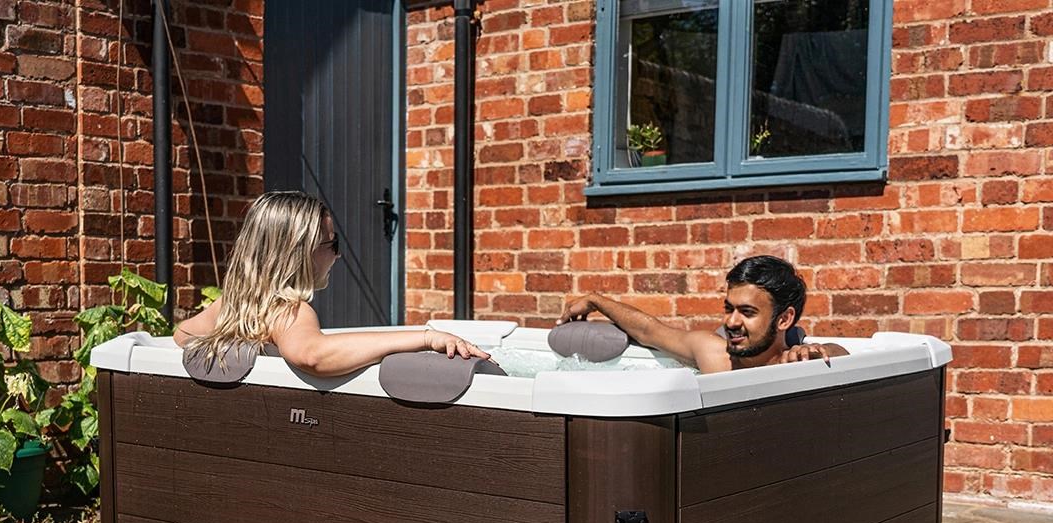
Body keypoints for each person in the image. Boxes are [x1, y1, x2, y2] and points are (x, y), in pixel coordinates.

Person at [174, 191, 488, 376]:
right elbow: (314, 355)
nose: (338, 255)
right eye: (332, 244)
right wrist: (426, 338)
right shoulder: (289, 312)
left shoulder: (232, 306)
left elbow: (182, 335)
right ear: (298, 253)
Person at [557, 255, 848, 374]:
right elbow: (649, 331)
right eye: (729, 308)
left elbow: (845, 356)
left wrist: (825, 352)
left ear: (784, 319)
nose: (731, 322)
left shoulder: (798, 366)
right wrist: (595, 300)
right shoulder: (714, 354)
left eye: (747, 312)